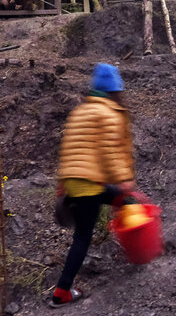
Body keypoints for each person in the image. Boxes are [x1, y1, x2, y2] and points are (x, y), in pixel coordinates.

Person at [51, 63, 136, 307]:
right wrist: (124, 179)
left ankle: (131, 248)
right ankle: (61, 292)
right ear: (115, 90)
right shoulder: (109, 113)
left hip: (77, 183)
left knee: (124, 200)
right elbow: (111, 151)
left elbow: (68, 150)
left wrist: (62, 183)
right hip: (90, 185)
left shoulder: (81, 111)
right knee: (82, 237)